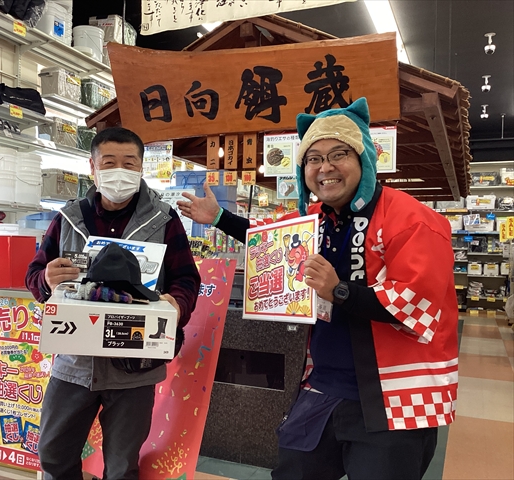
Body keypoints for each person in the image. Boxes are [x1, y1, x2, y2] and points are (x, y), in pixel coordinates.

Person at [177, 98, 458, 480]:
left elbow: (417, 305)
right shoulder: (314, 219)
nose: (325, 167)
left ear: (364, 158)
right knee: (291, 470)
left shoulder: (413, 219)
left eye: (339, 154)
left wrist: (339, 290)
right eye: (313, 158)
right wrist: (219, 218)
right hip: (322, 384)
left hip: (394, 395)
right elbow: (269, 240)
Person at [26, 126, 201, 480]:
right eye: (109, 163)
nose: (119, 171)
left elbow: (187, 279)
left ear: (141, 168)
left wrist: (176, 304)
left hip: (135, 365)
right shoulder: (69, 218)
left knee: (122, 466)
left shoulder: (164, 220)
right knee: (53, 453)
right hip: (74, 361)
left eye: (129, 163)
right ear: (93, 168)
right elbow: (34, 274)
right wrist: (46, 279)